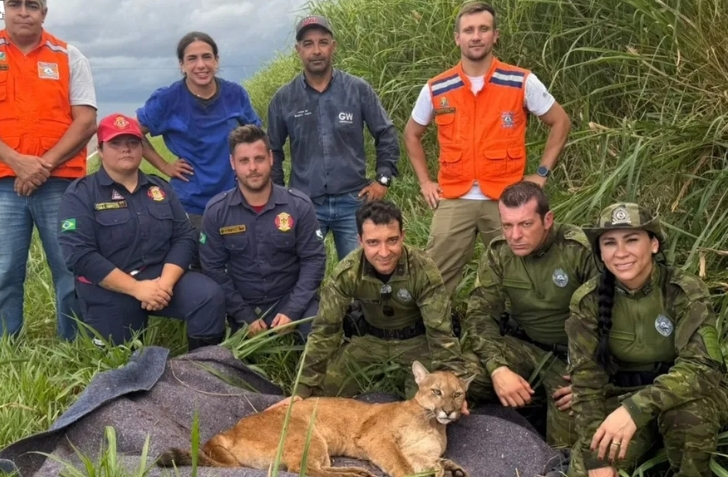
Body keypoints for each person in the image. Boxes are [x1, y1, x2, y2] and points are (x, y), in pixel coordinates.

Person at [0, 0, 97, 347]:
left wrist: (42, 165)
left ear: (44, 12)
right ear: (3, 9)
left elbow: (85, 121)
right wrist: (18, 162)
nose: (23, 11)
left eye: (31, 5)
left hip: (61, 183)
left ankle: (73, 345)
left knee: (70, 269)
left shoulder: (68, 56)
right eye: (14, 3)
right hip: (1, 184)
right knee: (3, 273)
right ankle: (6, 350)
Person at [403, 1, 572, 296]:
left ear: (495, 35)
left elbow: (560, 121)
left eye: (483, 29)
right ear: (457, 38)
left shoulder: (520, 80)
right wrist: (425, 182)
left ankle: (525, 328)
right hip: (455, 196)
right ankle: (430, 333)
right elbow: (411, 133)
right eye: (468, 30)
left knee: (525, 271)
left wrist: (541, 173)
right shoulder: (437, 87)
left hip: (507, 198)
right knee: (433, 277)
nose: (476, 36)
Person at [566, 202, 727, 477]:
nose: (621, 253)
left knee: (689, 419)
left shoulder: (683, 290)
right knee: (586, 471)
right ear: (600, 254)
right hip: (621, 396)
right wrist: (597, 460)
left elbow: (701, 368)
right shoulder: (588, 300)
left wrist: (633, 411)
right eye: (609, 243)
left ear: (653, 244)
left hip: (686, 396)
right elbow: (586, 382)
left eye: (631, 240)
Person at [57, 113, 226, 348]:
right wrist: (137, 289)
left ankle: (202, 368)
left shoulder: (160, 188)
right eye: (115, 143)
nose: (125, 149)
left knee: (209, 296)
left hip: (160, 277)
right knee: (121, 362)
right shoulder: (81, 194)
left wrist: (164, 285)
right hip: (109, 287)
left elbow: (184, 236)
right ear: (101, 149)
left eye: (132, 143)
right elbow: (79, 255)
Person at [460, 181, 598, 447]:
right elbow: (480, 316)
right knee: (460, 378)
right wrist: (497, 368)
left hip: (572, 362)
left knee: (563, 449)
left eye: (525, 224)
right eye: (507, 225)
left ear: (547, 220)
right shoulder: (500, 254)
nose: (515, 235)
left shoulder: (579, 251)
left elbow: (608, 318)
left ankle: (542, 416)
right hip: (523, 348)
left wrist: (591, 376)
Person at [295, 199, 465, 399]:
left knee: (427, 407)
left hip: (415, 344)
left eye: (392, 240)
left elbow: (441, 334)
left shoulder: (423, 270)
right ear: (360, 241)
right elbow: (325, 331)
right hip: (368, 342)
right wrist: (303, 388)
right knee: (316, 391)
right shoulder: (348, 272)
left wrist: (453, 387)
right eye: (373, 242)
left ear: (402, 236)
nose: (384, 253)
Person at [268, 15, 400, 261]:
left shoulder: (358, 89)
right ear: (298, 50)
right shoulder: (284, 98)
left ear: (333, 46)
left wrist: (382, 180)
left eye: (323, 42)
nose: (316, 51)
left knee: (358, 273)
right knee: (303, 273)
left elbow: (386, 133)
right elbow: (272, 150)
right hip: (305, 204)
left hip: (353, 202)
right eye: (308, 44)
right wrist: (279, 195)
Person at [200, 125, 326, 338]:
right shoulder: (216, 211)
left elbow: (314, 260)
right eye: (244, 161)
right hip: (241, 304)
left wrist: (292, 311)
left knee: (319, 333)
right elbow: (212, 268)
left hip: (291, 300)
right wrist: (243, 315)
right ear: (233, 163)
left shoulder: (299, 206)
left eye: (258, 159)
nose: (252, 168)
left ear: (270, 158)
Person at [136, 32, 262, 228]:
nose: (201, 65)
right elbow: (134, 131)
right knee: (195, 257)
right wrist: (164, 166)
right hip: (190, 204)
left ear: (216, 60)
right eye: (192, 59)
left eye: (207, 57)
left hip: (236, 199)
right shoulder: (168, 99)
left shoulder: (235, 95)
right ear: (182, 65)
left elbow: (257, 137)